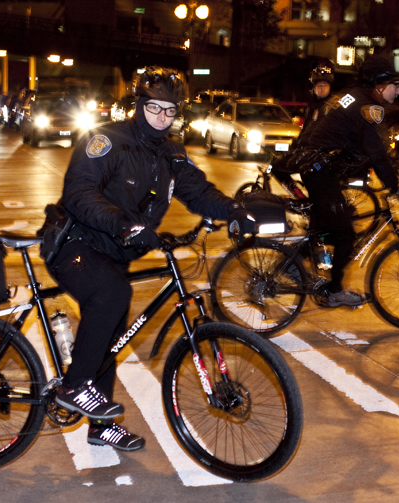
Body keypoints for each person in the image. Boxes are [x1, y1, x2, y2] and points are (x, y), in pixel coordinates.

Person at [40, 67, 248, 451]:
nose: (162, 117)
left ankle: (100, 427)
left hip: (115, 253)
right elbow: (79, 193)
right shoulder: (106, 140)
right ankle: (74, 386)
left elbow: (198, 191)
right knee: (113, 295)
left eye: (170, 110)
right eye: (154, 107)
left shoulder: (172, 152)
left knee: (110, 338)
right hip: (74, 245)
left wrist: (234, 210)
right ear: (139, 105)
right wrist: (124, 225)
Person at [293, 55, 399, 308]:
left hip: (314, 166)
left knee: (325, 227)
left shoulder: (350, 96)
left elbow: (352, 141)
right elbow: (375, 151)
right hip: (320, 170)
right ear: (379, 85)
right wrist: (395, 185)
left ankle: (291, 264)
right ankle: (334, 291)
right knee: (346, 235)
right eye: (395, 85)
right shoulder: (367, 108)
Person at [271, 59, 335, 199]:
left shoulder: (331, 107)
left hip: (317, 153)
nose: (322, 88)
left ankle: (308, 201)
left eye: (325, 85)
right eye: (319, 86)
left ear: (330, 86)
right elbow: (306, 128)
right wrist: (296, 144)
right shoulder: (313, 105)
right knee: (277, 167)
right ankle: (301, 197)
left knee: (291, 170)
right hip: (306, 150)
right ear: (314, 88)